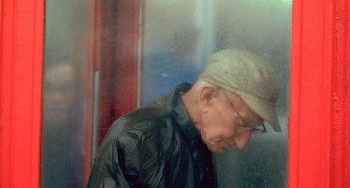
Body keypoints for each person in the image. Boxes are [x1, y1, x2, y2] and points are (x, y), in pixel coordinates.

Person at [88, 48, 281, 187]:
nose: (242, 144)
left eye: (252, 130)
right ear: (207, 97)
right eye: (241, 124)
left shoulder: (199, 138)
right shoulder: (139, 136)